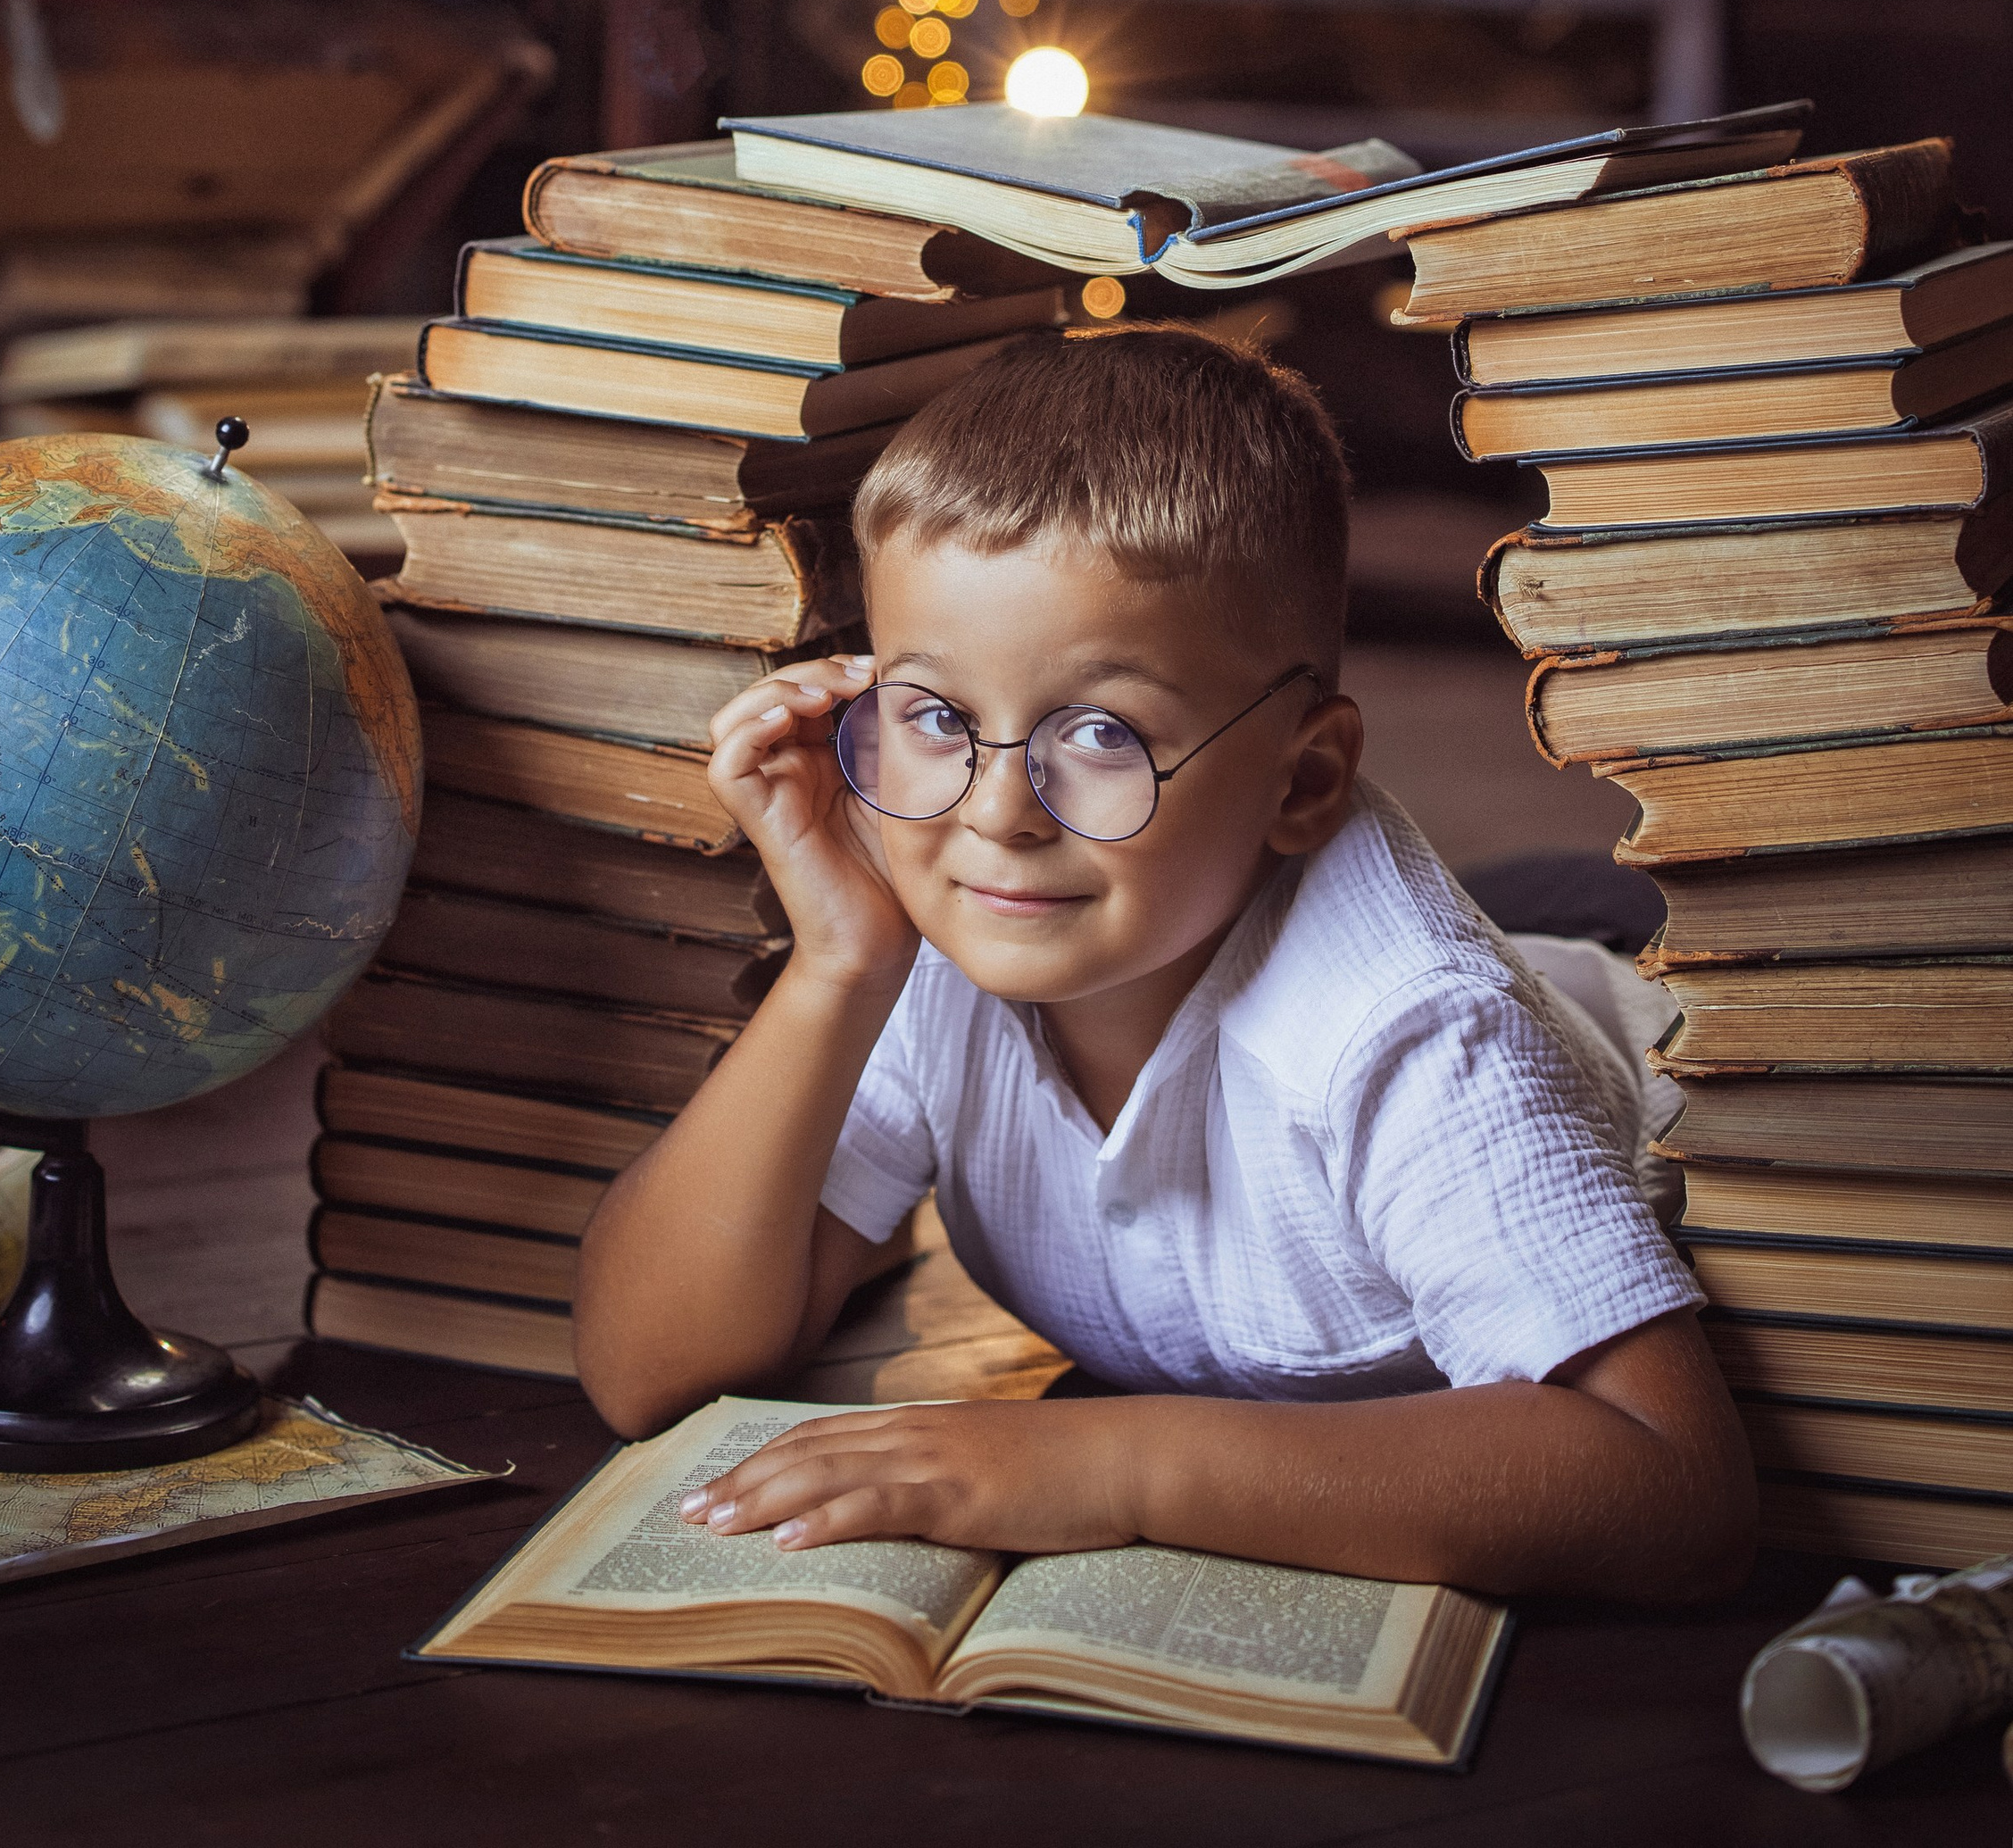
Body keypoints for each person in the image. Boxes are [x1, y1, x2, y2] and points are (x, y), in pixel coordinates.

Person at [572, 328, 1756, 1601]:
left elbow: (1670, 1484)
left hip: (1604, 975)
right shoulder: (937, 936)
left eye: (1101, 731)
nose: (997, 815)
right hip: (1364, 918)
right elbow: (649, 1370)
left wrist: (1117, 1466)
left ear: (1304, 778)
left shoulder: (1421, 1031)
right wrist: (837, 964)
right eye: (938, 716)